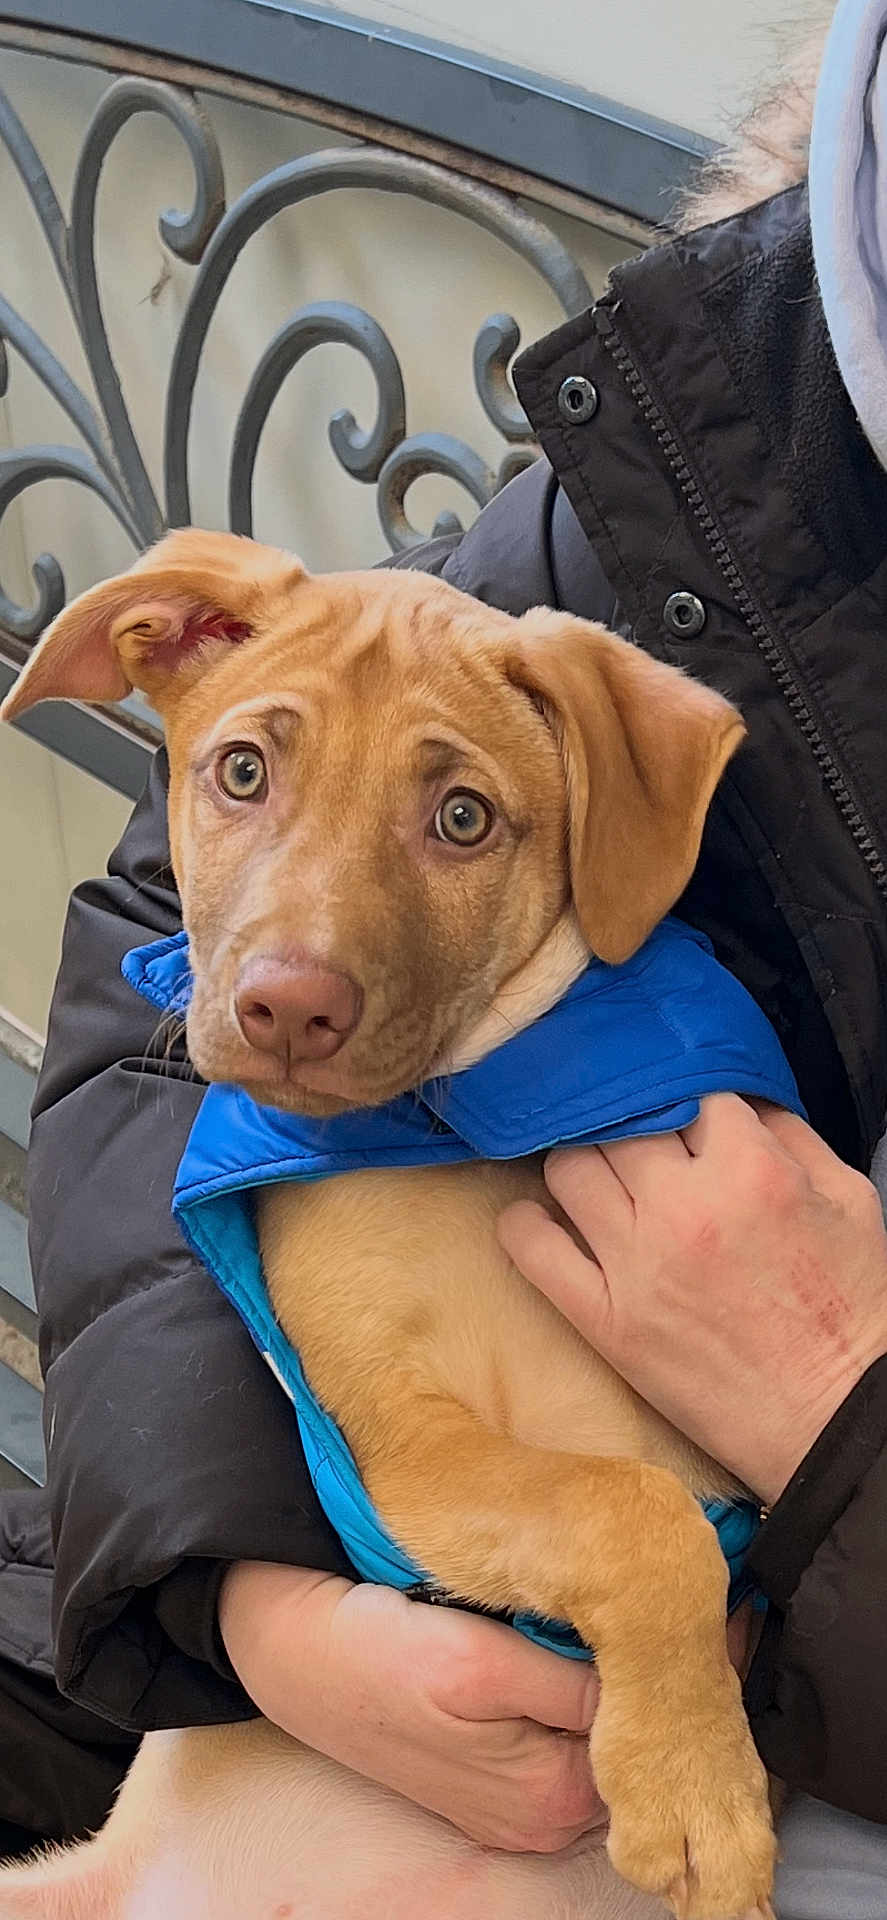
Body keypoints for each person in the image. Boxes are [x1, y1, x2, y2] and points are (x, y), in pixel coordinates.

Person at [2, 0, 887, 1909]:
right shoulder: (691, 482)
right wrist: (240, 1594)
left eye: (460, 818)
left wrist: (849, 1434)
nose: (304, 950)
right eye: (244, 772)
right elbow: (160, 969)